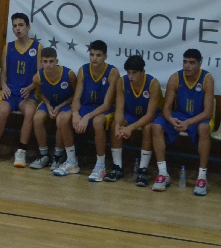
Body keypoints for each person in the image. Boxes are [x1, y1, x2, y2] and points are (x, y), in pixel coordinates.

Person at [151, 49, 215, 195]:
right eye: (185, 62)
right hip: (179, 115)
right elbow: (166, 108)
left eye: (192, 63)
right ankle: (163, 173)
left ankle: (202, 177)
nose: (187, 66)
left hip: (199, 116)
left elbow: (208, 112)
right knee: (156, 126)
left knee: (204, 129)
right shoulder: (175, 78)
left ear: (199, 64)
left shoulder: (207, 78)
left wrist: (188, 122)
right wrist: (171, 119)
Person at [0, 13, 40, 168]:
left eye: (21, 25)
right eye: (15, 26)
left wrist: (30, 88)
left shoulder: (37, 47)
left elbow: (40, 75)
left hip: (28, 92)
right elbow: (4, 73)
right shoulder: (8, 47)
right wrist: (4, 86)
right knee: (2, 110)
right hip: (10, 91)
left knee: (30, 112)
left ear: (28, 27)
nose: (18, 29)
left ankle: (21, 151)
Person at [62, 40, 118, 181]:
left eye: (98, 55)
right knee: (63, 118)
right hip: (86, 106)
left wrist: (86, 117)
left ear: (105, 57)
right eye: (92, 55)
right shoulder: (83, 69)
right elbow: (77, 98)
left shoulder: (112, 72)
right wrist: (75, 113)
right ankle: (71, 161)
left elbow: (107, 104)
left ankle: (100, 165)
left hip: (103, 109)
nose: (94, 58)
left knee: (97, 122)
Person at [107, 55, 162, 186]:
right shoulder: (122, 81)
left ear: (143, 72)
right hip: (131, 113)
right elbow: (119, 108)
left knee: (148, 128)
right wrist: (118, 125)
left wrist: (130, 128)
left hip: (149, 115)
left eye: (134, 73)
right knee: (116, 125)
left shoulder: (153, 84)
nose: (130, 76)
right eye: (128, 72)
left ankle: (142, 170)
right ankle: (117, 167)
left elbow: (150, 115)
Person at [29, 48, 76, 170]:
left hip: (66, 103)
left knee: (60, 119)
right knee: (37, 118)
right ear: (41, 62)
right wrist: (48, 105)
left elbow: (76, 95)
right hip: (50, 103)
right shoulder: (37, 77)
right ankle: (44, 155)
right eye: (45, 61)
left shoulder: (69, 74)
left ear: (56, 61)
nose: (48, 65)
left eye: (51, 61)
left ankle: (58, 155)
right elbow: (40, 93)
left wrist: (60, 106)